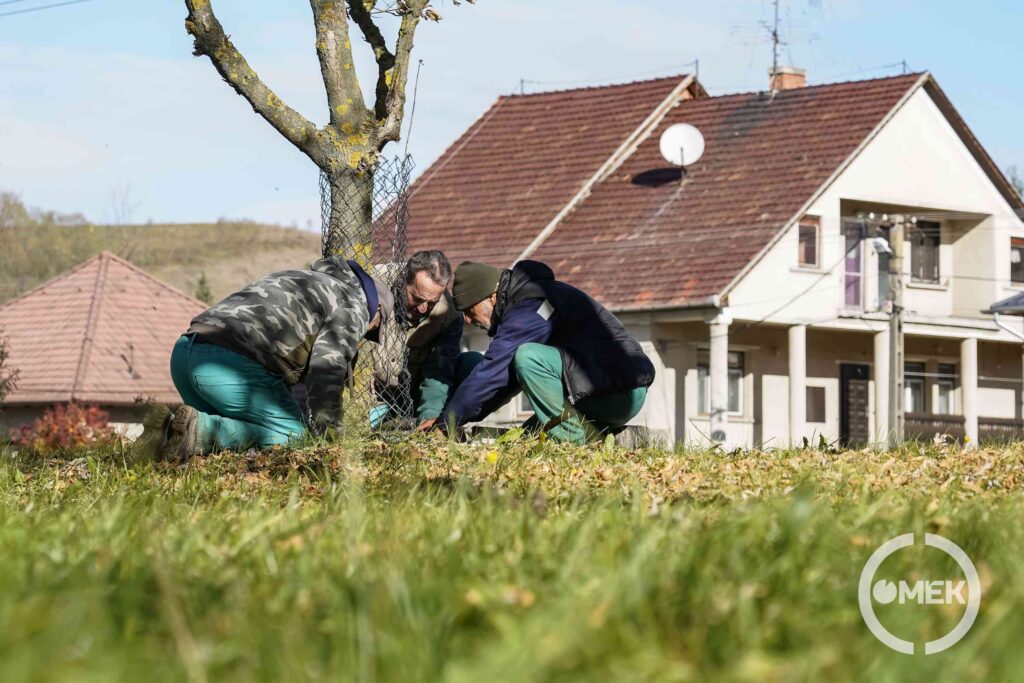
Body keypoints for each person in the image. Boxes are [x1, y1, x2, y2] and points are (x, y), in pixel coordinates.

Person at [141, 256, 393, 461]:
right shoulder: (356, 304)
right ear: (376, 309)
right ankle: (202, 431)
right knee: (294, 435)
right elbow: (326, 371)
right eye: (374, 328)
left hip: (186, 353)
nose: (367, 332)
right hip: (225, 366)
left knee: (203, 440)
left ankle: (164, 432)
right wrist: (332, 441)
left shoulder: (301, 278)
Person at [424, 259, 655, 444]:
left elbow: (494, 371)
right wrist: (451, 422)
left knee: (528, 357)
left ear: (491, 297)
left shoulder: (533, 304)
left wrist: (448, 422)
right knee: (522, 440)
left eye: (469, 309)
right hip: (603, 389)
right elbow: (505, 380)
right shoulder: (527, 302)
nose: (467, 319)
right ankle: (576, 437)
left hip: (619, 393)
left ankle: (574, 444)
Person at [370, 250, 464, 429]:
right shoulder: (373, 284)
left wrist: (430, 417)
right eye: (416, 298)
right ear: (403, 280)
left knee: (471, 364)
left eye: (431, 302)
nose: (422, 309)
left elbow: (439, 372)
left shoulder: (449, 315)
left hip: (411, 396)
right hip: (370, 398)